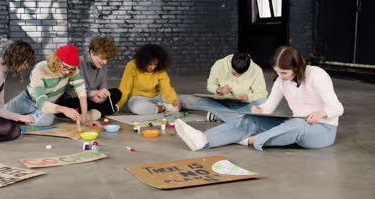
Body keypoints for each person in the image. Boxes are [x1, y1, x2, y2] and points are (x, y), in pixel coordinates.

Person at [175, 46, 344, 151]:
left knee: (297, 124)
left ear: (297, 67)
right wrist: (260, 110)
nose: (279, 76)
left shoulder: (316, 75)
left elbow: (337, 108)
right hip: (295, 123)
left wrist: (321, 113)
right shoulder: (281, 80)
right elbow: (268, 107)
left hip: (322, 130)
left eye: (284, 72)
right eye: (277, 72)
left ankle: (249, 140)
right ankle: (203, 139)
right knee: (251, 118)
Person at [5, 45, 101, 127]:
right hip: (27, 100)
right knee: (0, 115)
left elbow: (82, 94)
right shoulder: (39, 69)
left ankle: (23, 118)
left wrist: (84, 119)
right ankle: (24, 117)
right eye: (65, 67)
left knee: (47, 120)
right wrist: (64, 109)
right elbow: (41, 102)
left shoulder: (72, 71)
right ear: (56, 61)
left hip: (48, 104)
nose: (67, 72)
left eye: (71, 69)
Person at [180, 52, 268, 122]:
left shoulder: (256, 70)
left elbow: (262, 94)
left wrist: (248, 97)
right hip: (222, 101)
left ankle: (219, 114)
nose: (237, 76)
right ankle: (235, 116)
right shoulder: (219, 64)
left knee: (263, 103)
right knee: (199, 100)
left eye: (240, 74)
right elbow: (210, 85)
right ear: (230, 63)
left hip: (245, 105)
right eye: (234, 73)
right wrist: (219, 89)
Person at [55, 36, 121, 120]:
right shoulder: (77, 63)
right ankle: (103, 111)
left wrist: (101, 97)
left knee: (116, 93)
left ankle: (94, 112)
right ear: (92, 52)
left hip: (92, 100)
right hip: (76, 99)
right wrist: (93, 93)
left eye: (107, 59)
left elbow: (103, 88)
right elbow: (71, 93)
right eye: (102, 58)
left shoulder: (102, 65)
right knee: (72, 105)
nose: (105, 62)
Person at [118, 44, 181, 115]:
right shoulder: (132, 66)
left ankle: (161, 106)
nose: (153, 68)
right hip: (138, 98)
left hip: (158, 96)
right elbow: (124, 88)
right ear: (143, 61)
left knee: (182, 102)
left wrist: (174, 100)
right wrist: (117, 105)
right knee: (136, 107)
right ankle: (163, 108)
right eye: (150, 64)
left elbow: (167, 88)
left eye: (155, 65)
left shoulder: (160, 69)